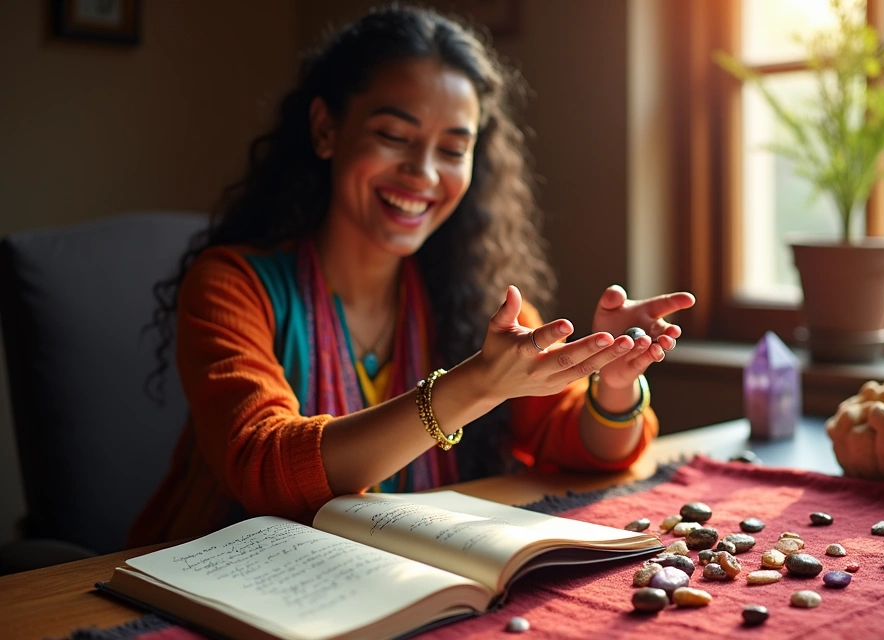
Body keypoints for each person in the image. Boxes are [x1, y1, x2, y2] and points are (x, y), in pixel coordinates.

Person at [128, 4, 694, 548]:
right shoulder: (232, 284)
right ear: (326, 129)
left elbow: (585, 448)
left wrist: (615, 385)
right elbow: (265, 468)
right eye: (395, 137)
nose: (422, 174)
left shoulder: (482, 299)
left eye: (453, 149)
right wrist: (474, 386)